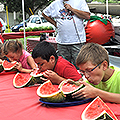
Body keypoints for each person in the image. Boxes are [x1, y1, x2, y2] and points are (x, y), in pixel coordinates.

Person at [42, 0, 90, 68]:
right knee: (64, 66)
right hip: (62, 42)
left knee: (80, 65)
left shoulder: (80, 1)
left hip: (77, 41)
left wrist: (72, 9)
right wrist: (55, 24)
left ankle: (80, 78)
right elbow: (44, 14)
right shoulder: (56, 3)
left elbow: (87, 16)